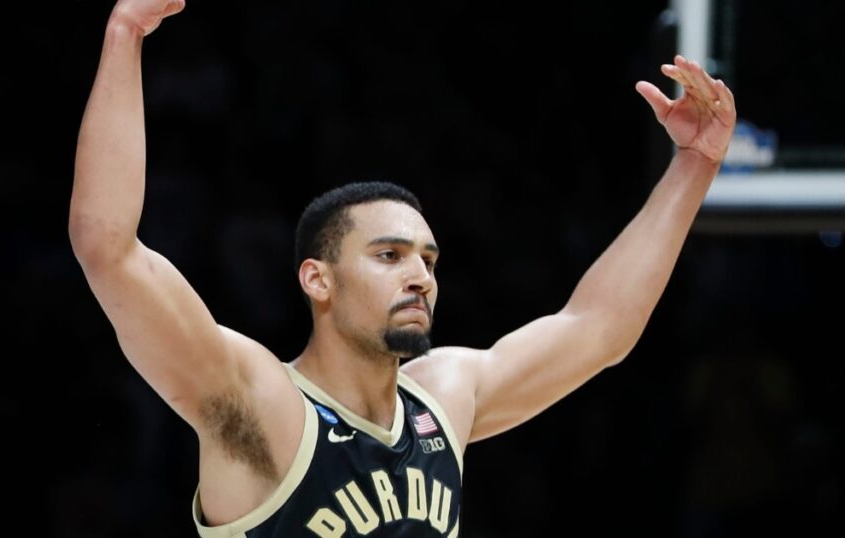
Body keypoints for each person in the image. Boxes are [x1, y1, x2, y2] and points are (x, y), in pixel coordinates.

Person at [68, 1, 737, 536]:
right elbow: (109, 249)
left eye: (427, 258)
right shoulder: (262, 403)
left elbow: (598, 327)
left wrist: (696, 165)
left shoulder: (444, 395)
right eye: (388, 256)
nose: (419, 274)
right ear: (317, 279)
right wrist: (126, 32)